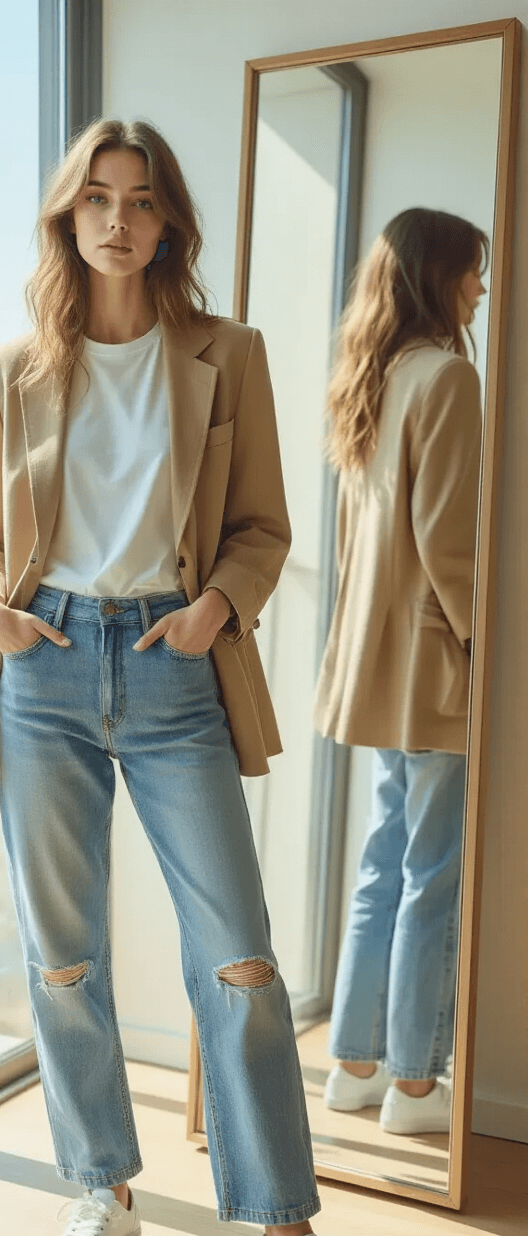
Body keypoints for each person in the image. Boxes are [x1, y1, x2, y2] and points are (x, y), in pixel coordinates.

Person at [0, 117, 396, 1236]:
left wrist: (215, 607)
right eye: (95, 197)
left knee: (239, 959)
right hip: (42, 664)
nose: (116, 219)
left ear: (168, 223)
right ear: (66, 216)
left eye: (140, 200)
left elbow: (262, 524)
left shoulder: (225, 352)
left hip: (168, 665)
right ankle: (100, 1190)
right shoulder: (12, 366)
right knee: (63, 955)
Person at [315, 208, 487, 1135]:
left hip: (376, 664)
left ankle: (353, 1066)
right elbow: (449, 544)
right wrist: (483, 649)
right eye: (473, 271)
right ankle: (416, 1086)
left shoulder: (369, 380)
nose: (483, 289)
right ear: (437, 275)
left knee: (385, 863)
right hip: (434, 665)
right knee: (432, 873)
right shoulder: (450, 378)